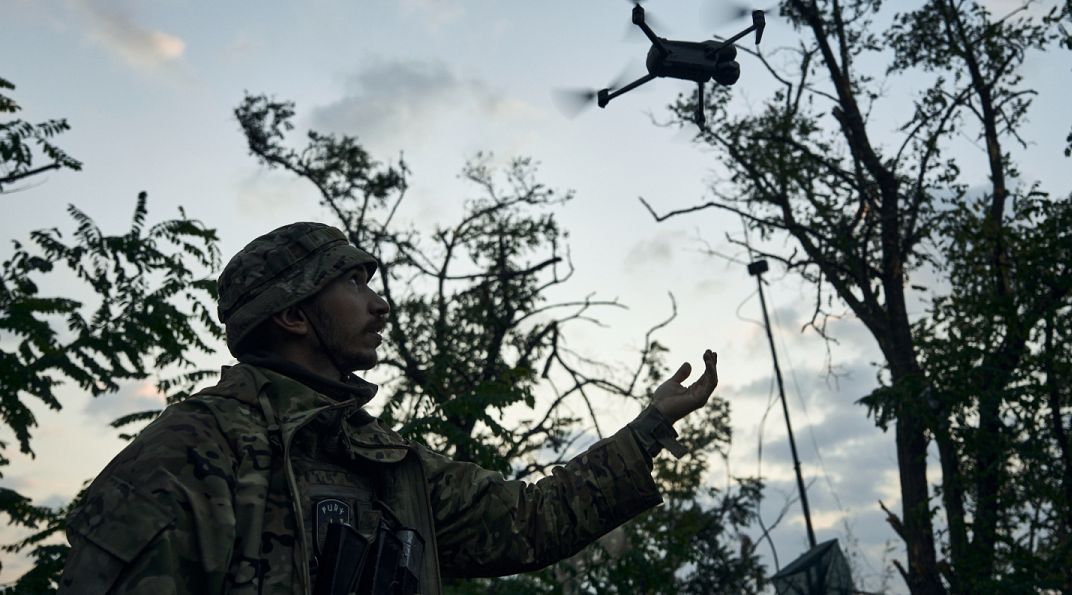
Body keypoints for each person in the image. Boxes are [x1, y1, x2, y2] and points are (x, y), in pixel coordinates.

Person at [58, 221, 720, 594]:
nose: (378, 303)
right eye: (350, 282)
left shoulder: (388, 463)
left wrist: (651, 426)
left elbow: (528, 521)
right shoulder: (188, 454)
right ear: (291, 312)